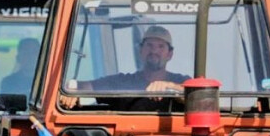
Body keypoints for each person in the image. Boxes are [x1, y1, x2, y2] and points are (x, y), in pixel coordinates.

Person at [60, 25, 190, 111]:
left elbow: (197, 97)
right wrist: (71, 90)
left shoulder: (181, 82)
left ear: (170, 54)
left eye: (161, 46)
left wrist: (170, 87)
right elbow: (86, 86)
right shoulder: (123, 82)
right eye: (149, 45)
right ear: (140, 50)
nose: (154, 51)